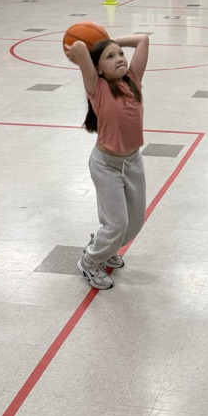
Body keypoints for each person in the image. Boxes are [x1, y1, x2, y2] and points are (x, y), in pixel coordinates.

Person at [65, 33, 150, 289]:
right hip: (106, 165)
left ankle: (107, 245)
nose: (119, 58)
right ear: (98, 69)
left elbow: (143, 40)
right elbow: (79, 45)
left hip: (133, 162)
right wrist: (84, 51)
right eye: (110, 57)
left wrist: (112, 41)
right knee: (116, 223)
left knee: (134, 223)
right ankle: (91, 261)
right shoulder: (97, 88)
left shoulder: (134, 79)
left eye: (121, 54)